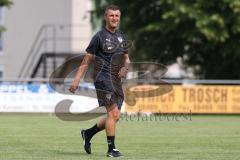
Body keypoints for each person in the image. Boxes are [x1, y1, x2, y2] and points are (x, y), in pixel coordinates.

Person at [69, 5, 131, 157]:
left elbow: (126, 58)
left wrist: (125, 68)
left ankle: (88, 133)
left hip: (116, 81)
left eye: (117, 16)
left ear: (119, 17)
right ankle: (112, 149)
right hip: (102, 78)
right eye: (111, 16)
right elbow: (86, 60)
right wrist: (76, 80)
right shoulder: (99, 37)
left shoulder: (122, 36)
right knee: (113, 112)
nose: (114, 18)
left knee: (115, 116)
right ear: (105, 17)